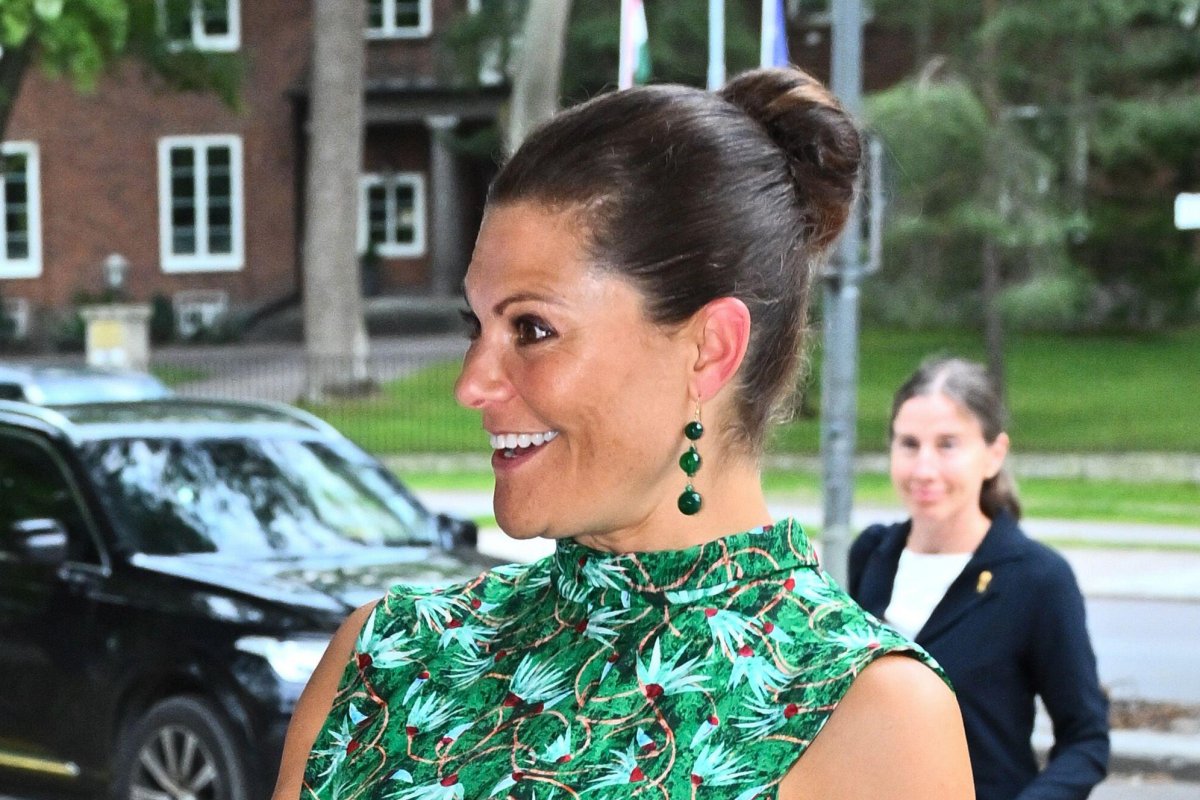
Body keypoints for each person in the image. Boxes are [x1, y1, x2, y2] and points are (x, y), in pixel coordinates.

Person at [273, 67, 973, 800]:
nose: (471, 383)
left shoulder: (869, 714)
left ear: (709, 350)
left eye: (532, 329)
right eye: (474, 327)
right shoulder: (386, 657)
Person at [848, 357, 1110, 800]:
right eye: (909, 444)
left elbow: (1086, 740)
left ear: (994, 454)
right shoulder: (872, 555)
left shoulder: (1037, 578)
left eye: (947, 445)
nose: (924, 469)